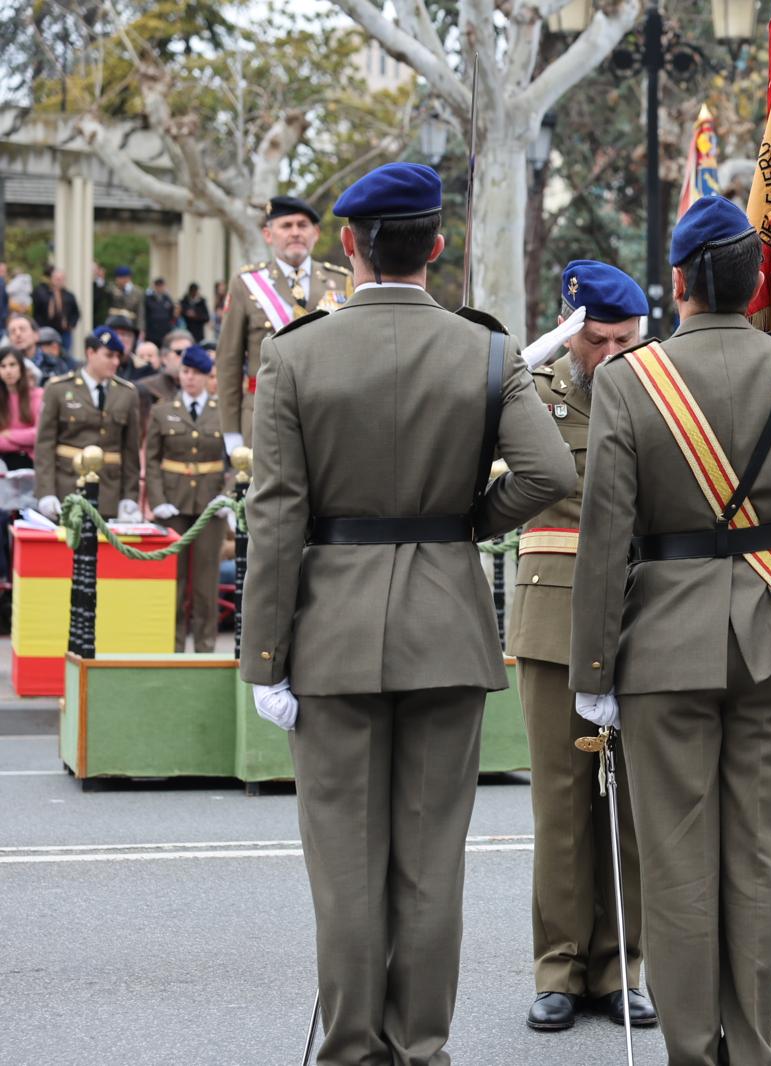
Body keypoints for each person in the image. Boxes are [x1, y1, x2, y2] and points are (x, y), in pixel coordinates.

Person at [240, 162, 575, 1066]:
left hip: (333, 631)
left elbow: (274, 519)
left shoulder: (296, 352)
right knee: (431, 865)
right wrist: (467, 521)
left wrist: (262, 658)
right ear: (437, 246)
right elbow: (550, 475)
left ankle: (351, 1050)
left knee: (347, 864)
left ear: (347, 245)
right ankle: (420, 1048)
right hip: (447, 624)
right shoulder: (489, 350)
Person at [569, 194, 771, 1066]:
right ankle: (752, 1046)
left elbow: (605, 535)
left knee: (675, 864)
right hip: (770, 630)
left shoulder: (629, 378)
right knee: (759, 860)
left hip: (661, 639)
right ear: (757, 287)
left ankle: (689, 1048)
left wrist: (591, 670)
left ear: (677, 283)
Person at [506, 260, 654, 1035]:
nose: (611, 354)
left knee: (630, 805)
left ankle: (621, 965)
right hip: (554, 610)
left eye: (625, 339)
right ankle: (559, 967)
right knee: (562, 802)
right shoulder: (534, 390)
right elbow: (468, 424)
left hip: (639, 609)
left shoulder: (657, 390)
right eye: (596, 339)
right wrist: (528, 358)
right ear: (571, 334)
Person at [217, 195, 354, 449]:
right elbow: (229, 361)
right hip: (263, 411)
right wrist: (231, 431)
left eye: (302, 225)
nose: (295, 233)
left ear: (316, 233)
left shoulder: (343, 280)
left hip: (327, 414)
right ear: (268, 235)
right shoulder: (246, 284)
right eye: (286, 226)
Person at [145, 347, 228, 652]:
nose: (189, 378)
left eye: (195, 373)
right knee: (173, 582)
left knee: (206, 583)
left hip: (210, 504)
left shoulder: (223, 412)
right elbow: (152, 460)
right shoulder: (163, 410)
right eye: (185, 372)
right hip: (173, 502)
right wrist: (157, 500)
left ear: (208, 376)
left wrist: (226, 496)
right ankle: (172, 648)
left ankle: (205, 648)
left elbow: (236, 460)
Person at [34, 325, 140, 522]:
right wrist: (46, 492)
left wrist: (129, 497)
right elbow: (45, 446)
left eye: (118, 356)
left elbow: (130, 451)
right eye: (109, 355)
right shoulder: (58, 388)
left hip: (109, 492)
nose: (115, 362)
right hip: (67, 487)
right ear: (90, 353)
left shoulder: (127, 393)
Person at [0, 348, 42, 469]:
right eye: (3, 366)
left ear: (21, 368)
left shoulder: (38, 395)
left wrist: (8, 434)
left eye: (12, 365)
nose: (8, 371)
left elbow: (39, 434)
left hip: (31, 463)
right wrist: (24, 443)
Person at [32, 268, 80, 353]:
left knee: (65, 353)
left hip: (64, 331)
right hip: (46, 329)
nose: (59, 281)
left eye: (61, 279)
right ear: (51, 279)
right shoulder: (42, 293)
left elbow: (76, 313)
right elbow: (36, 312)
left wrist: (71, 325)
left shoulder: (69, 295)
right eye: (57, 279)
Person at [107, 266, 144, 337]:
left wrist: (140, 329)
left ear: (127, 278)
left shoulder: (137, 292)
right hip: (114, 324)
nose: (117, 280)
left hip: (131, 324)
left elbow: (140, 312)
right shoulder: (112, 289)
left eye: (119, 278)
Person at [143, 277, 176, 347]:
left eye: (161, 286)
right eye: (158, 286)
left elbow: (171, 314)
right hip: (152, 332)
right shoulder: (148, 298)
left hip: (164, 331)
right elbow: (145, 314)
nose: (160, 288)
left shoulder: (167, 299)